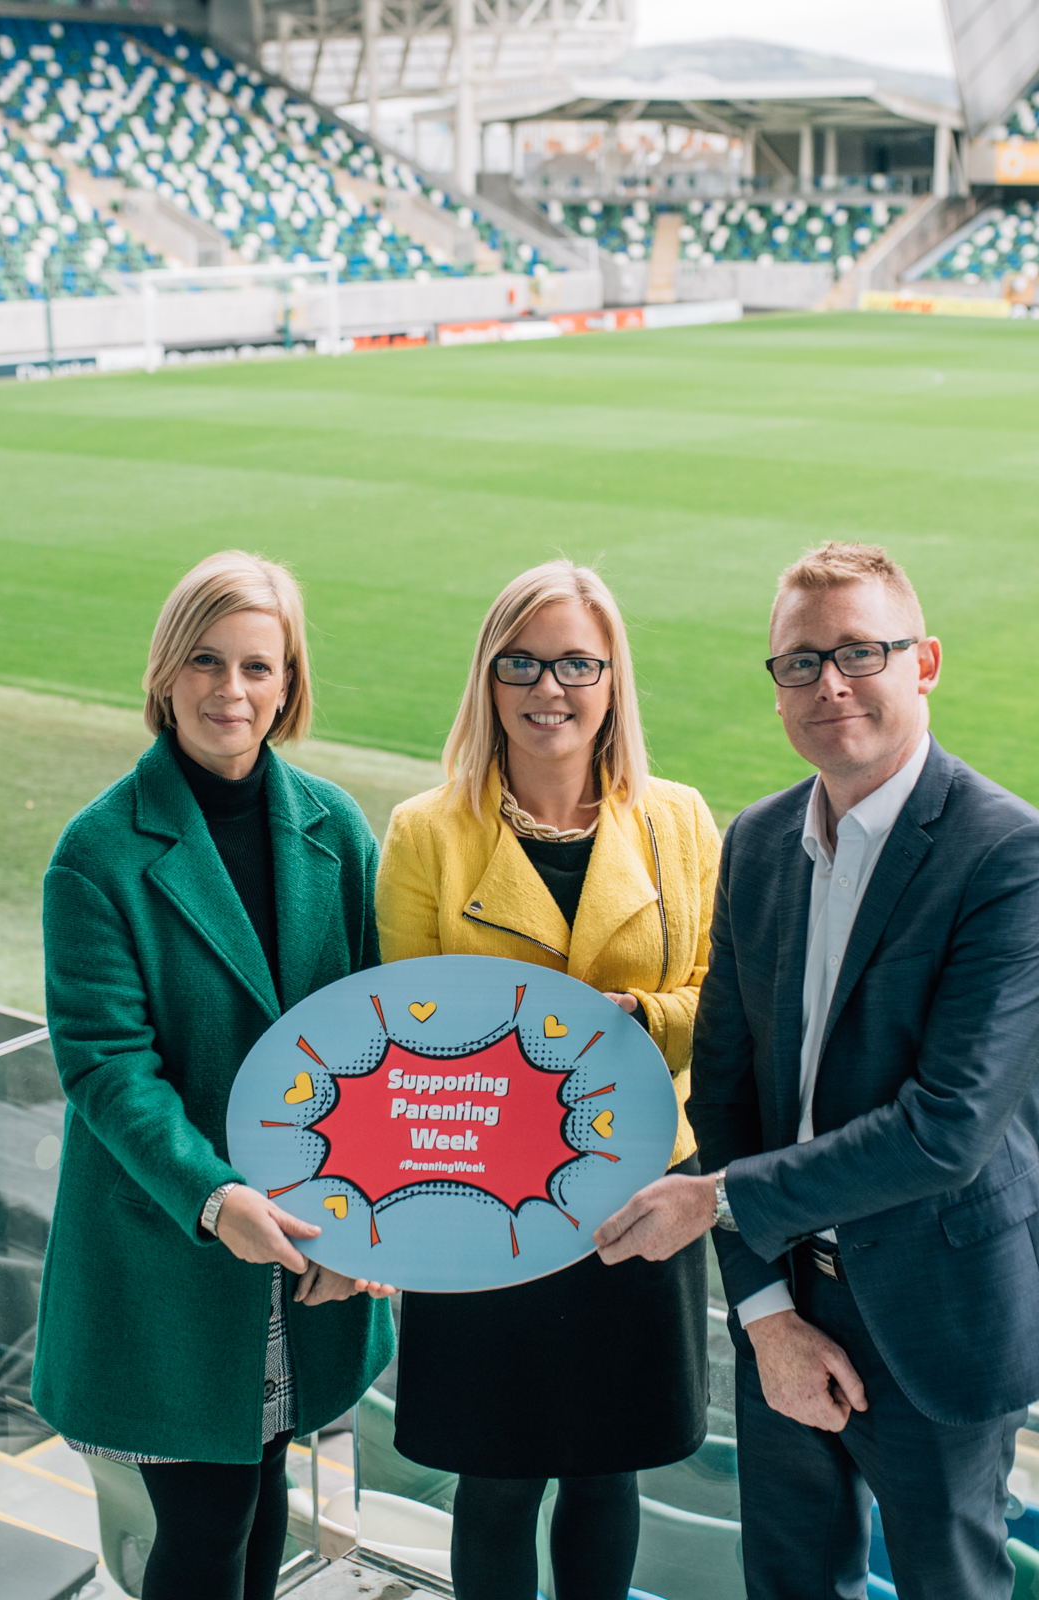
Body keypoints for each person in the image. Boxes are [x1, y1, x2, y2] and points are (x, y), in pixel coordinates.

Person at [592, 541, 1039, 1600]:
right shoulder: (763, 839)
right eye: (800, 660)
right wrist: (769, 1312)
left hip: (940, 1308)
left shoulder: (1010, 856)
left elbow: (946, 1128)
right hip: (789, 1292)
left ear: (924, 663)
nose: (830, 683)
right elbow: (727, 1088)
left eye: (861, 652)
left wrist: (721, 1199)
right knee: (786, 1581)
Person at [32, 551, 395, 1600]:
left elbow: (372, 1044)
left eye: (257, 667)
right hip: (171, 1251)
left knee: (265, 1489)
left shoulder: (337, 827)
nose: (230, 692)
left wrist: (359, 1223)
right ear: (164, 672)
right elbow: (106, 1068)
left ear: (288, 685)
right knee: (201, 1528)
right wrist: (214, 1197)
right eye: (205, 661)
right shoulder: (95, 852)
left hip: (308, 1241)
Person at [376, 560, 719, 1600]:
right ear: (488, 679)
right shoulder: (426, 831)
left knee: (606, 1468)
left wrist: (644, 1019)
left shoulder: (681, 821)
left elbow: (726, 999)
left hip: (638, 1192)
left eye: (577, 662)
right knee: (495, 1477)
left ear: (615, 680)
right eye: (520, 661)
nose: (548, 688)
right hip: (488, 1199)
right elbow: (397, 1031)